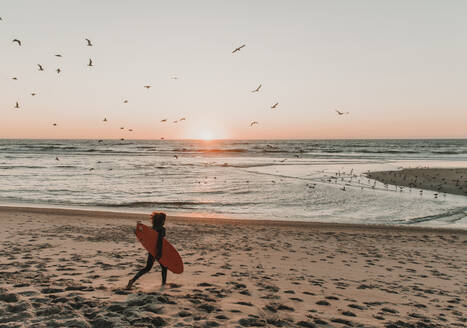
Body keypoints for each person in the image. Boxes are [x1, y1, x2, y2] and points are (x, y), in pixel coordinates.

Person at [127, 212, 168, 289]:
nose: (164, 221)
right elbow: (159, 241)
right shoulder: (162, 229)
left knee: (147, 268)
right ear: (162, 220)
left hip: (151, 250)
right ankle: (164, 283)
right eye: (164, 220)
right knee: (164, 267)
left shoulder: (153, 228)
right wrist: (159, 252)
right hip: (157, 250)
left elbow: (148, 239)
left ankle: (132, 280)